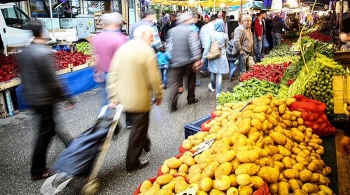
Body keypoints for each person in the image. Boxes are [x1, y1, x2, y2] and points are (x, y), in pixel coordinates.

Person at [17, 19, 75, 181]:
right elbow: (53, 80)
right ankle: (37, 170)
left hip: (32, 98)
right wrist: (68, 98)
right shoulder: (43, 52)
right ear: (41, 32)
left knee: (51, 125)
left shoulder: (24, 52)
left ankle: (71, 145)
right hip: (45, 98)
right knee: (45, 133)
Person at [106, 25, 163, 172]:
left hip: (123, 98)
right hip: (139, 99)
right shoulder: (147, 51)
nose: (152, 39)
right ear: (144, 35)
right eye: (151, 36)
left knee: (138, 124)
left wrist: (113, 96)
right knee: (139, 128)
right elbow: (154, 79)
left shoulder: (123, 49)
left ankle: (146, 144)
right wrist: (159, 95)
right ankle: (132, 162)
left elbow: (112, 74)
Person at [166, 12, 202, 112]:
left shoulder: (171, 31)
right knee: (190, 81)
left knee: (175, 84)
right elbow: (194, 46)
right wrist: (197, 59)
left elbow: (169, 47)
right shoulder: (189, 31)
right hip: (188, 61)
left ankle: (173, 104)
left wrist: (171, 59)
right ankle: (191, 98)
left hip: (175, 62)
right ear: (185, 21)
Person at [92, 12, 127, 105]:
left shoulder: (97, 37)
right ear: (117, 23)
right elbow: (125, 60)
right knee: (122, 101)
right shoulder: (120, 38)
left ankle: (104, 117)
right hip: (117, 75)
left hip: (103, 73)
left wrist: (98, 71)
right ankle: (125, 119)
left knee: (105, 101)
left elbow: (97, 57)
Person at [202, 19, 229, 97]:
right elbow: (227, 47)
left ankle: (213, 86)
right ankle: (218, 93)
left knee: (213, 72)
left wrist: (203, 58)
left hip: (213, 55)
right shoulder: (225, 35)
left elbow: (207, 47)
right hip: (222, 56)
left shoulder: (211, 34)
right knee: (219, 74)